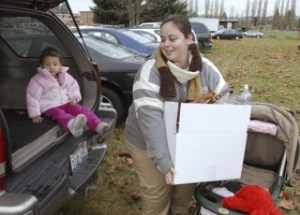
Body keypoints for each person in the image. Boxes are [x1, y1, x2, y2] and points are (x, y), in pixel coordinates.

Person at [125, 14, 230, 215]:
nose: (166, 44)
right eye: (163, 39)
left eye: (172, 39)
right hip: (147, 141)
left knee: (183, 191)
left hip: (186, 140)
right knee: (158, 193)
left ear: (189, 38)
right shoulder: (150, 71)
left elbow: (225, 100)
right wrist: (164, 161)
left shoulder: (205, 68)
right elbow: (150, 121)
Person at [26, 47, 108, 137]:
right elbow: (32, 96)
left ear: (60, 65)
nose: (51, 67)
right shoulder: (38, 80)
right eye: (47, 64)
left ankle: (98, 125)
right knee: (60, 115)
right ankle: (72, 125)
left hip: (66, 102)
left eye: (55, 64)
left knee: (82, 110)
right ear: (42, 65)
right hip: (50, 106)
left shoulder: (64, 75)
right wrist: (35, 114)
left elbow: (73, 86)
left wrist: (75, 97)